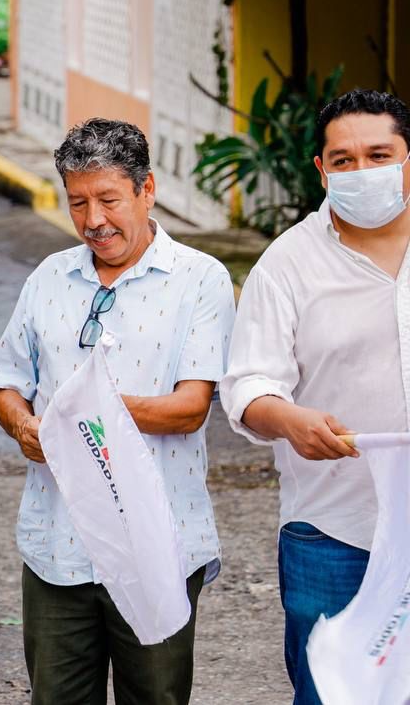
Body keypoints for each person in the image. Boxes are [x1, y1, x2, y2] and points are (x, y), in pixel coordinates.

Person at [0, 118, 235, 705]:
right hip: (57, 546)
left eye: (108, 200)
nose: (93, 220)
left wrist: (82, 418)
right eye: (78, 203)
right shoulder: (50, 276)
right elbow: (6, 380)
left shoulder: (200, 279)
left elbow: (189, 408)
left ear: (147, 191)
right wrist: (23, 424)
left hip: (158, 543)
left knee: (156, 697)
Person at [221, 88, 410, 705]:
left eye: (379, 155)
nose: (363, 171)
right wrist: (288, 419)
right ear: (321, 170)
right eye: (345, 160)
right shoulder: (288, 263)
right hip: (334, 530)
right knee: (331, 691)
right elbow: (248, 384)